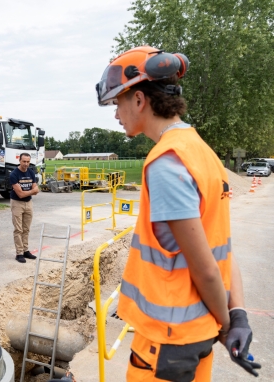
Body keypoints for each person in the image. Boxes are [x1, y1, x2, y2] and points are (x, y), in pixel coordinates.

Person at [96, 46, 260, 380]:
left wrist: (229, 327)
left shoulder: (166, 163)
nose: (116, 115)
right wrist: (237, 314)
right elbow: (221, 250)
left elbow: (207, 269)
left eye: (118, 103)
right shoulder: (202, 152)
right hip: (195, 338)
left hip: (166, 344)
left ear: (139, 100)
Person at [9, 152, 39, 263]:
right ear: (19, 161)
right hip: (17, 203)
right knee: (18, 229)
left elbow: (36, 188)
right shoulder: (14, 174)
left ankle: (26, 250)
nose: (26, 164)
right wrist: (32, 191)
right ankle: (19, 253)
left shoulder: (31, 173)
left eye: (28, 161)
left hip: (28, 203)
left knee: (26, 229)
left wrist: (30, 191)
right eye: (24, 161)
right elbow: (20, 194)